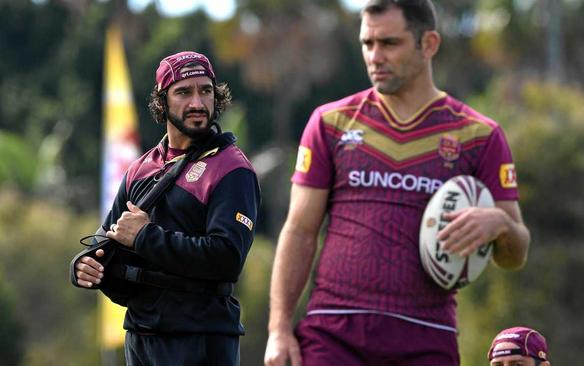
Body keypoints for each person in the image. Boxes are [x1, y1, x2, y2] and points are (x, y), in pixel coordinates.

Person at [264, 1, 530, 365]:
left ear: (429, 44)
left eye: (389, 43)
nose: (374, 56)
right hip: (333, 333)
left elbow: (516, 254)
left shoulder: (479, 136)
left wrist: (500, 226)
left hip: (426, 334)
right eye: (367, 44)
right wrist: (278, 329)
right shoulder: (330, 123)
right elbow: (299, 230)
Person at [73, 51, 261, 366]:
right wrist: (86, 267)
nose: (198, 103)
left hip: (201, 338)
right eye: (184, 92)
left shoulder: (231, 169)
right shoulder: (140, 169)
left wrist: (145, 237)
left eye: (206, 91)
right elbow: (105, 244)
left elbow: (227, 259)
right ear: (162, 101)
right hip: (141, 336)